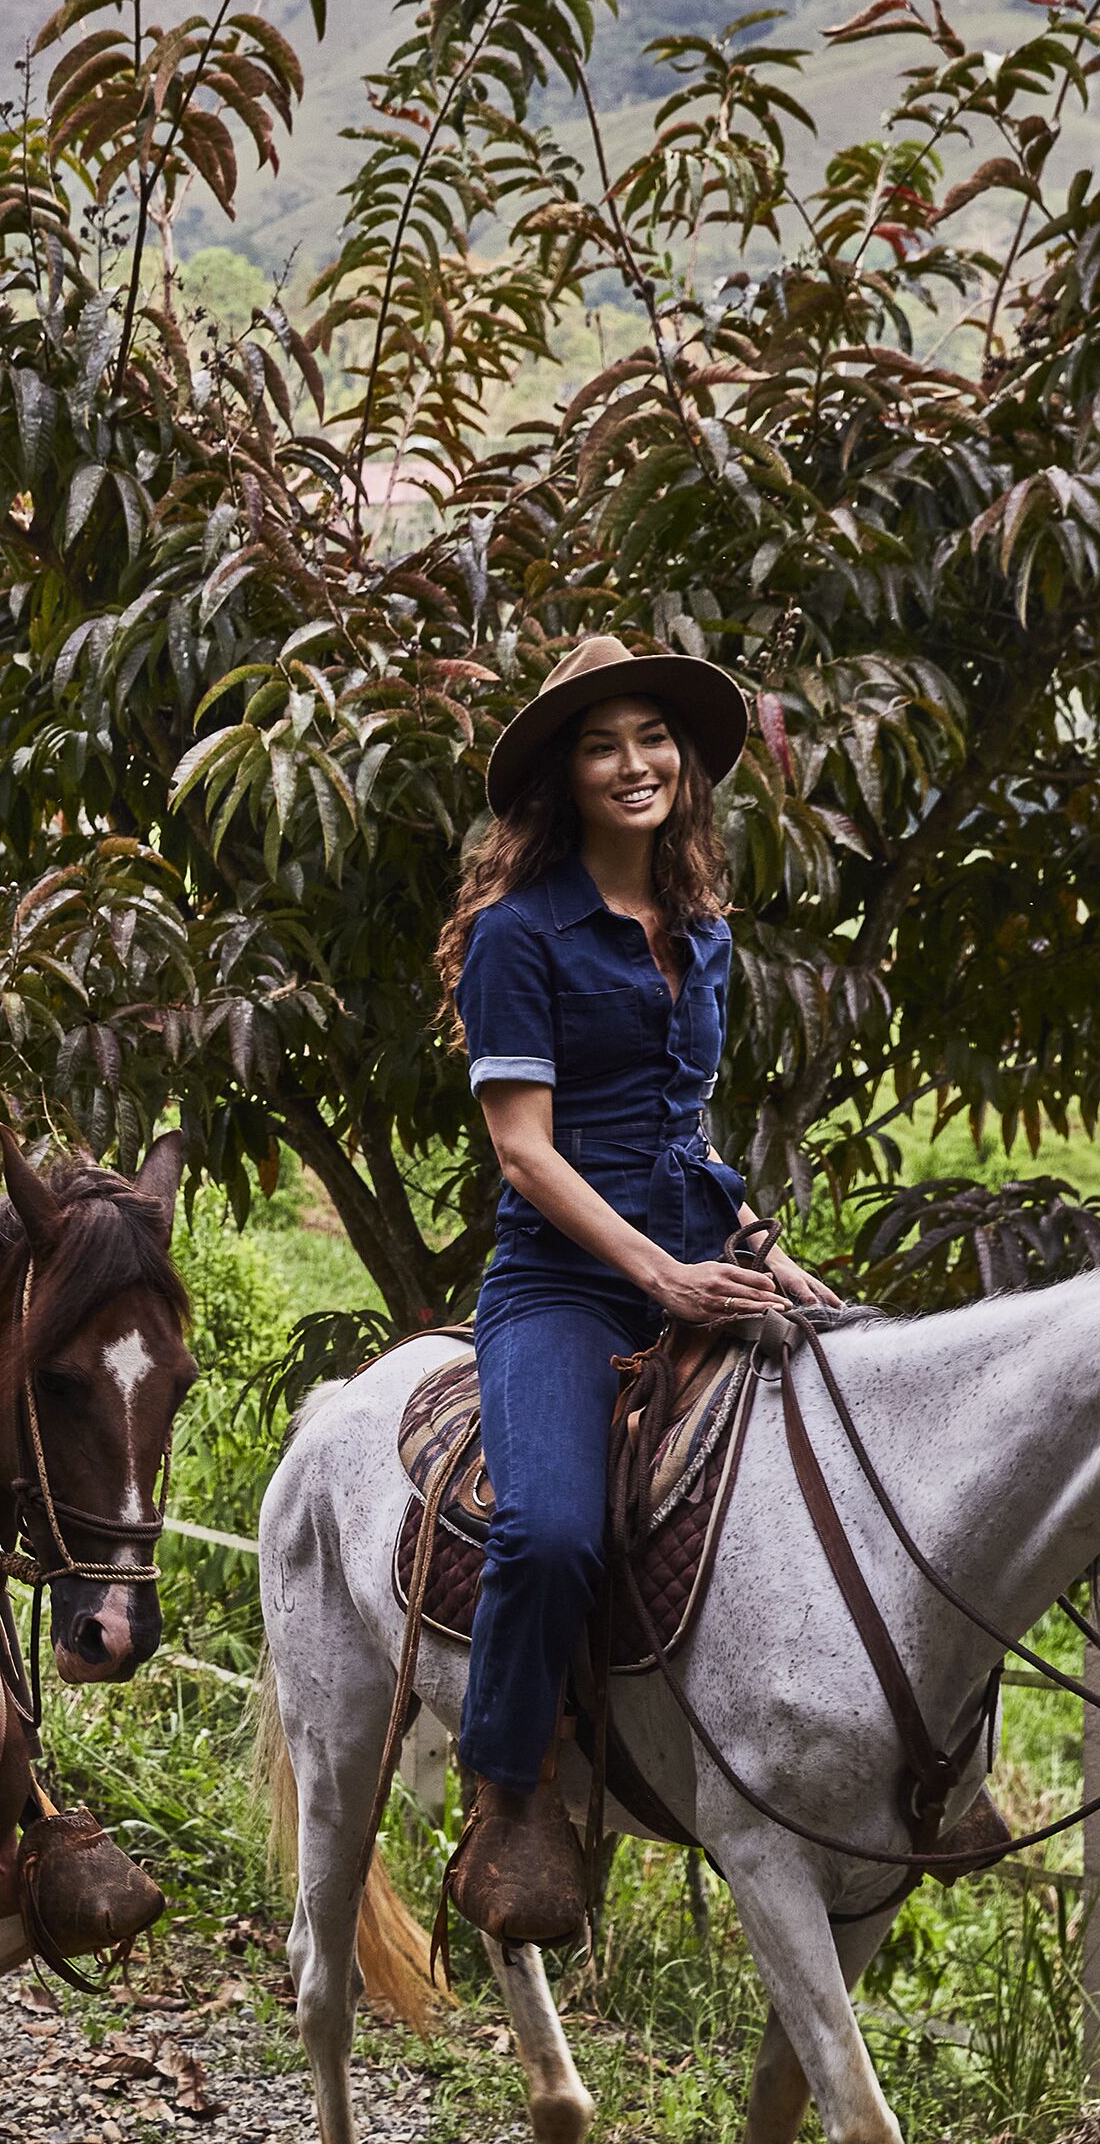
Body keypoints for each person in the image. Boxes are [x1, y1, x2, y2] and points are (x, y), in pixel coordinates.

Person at [437, 634, 840, 1945]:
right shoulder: (515, 934)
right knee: (548, 1530)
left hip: (701, 1258)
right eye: (603, 742)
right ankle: (506, 1790)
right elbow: (523, 1148)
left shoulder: (705, 930)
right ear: (567, 770)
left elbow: (691, 1139)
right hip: (563, 1286)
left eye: (651, 738)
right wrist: (660, 1271)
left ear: (685, 760)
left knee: (867, 1424)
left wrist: (778, 1266)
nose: (634, 762)